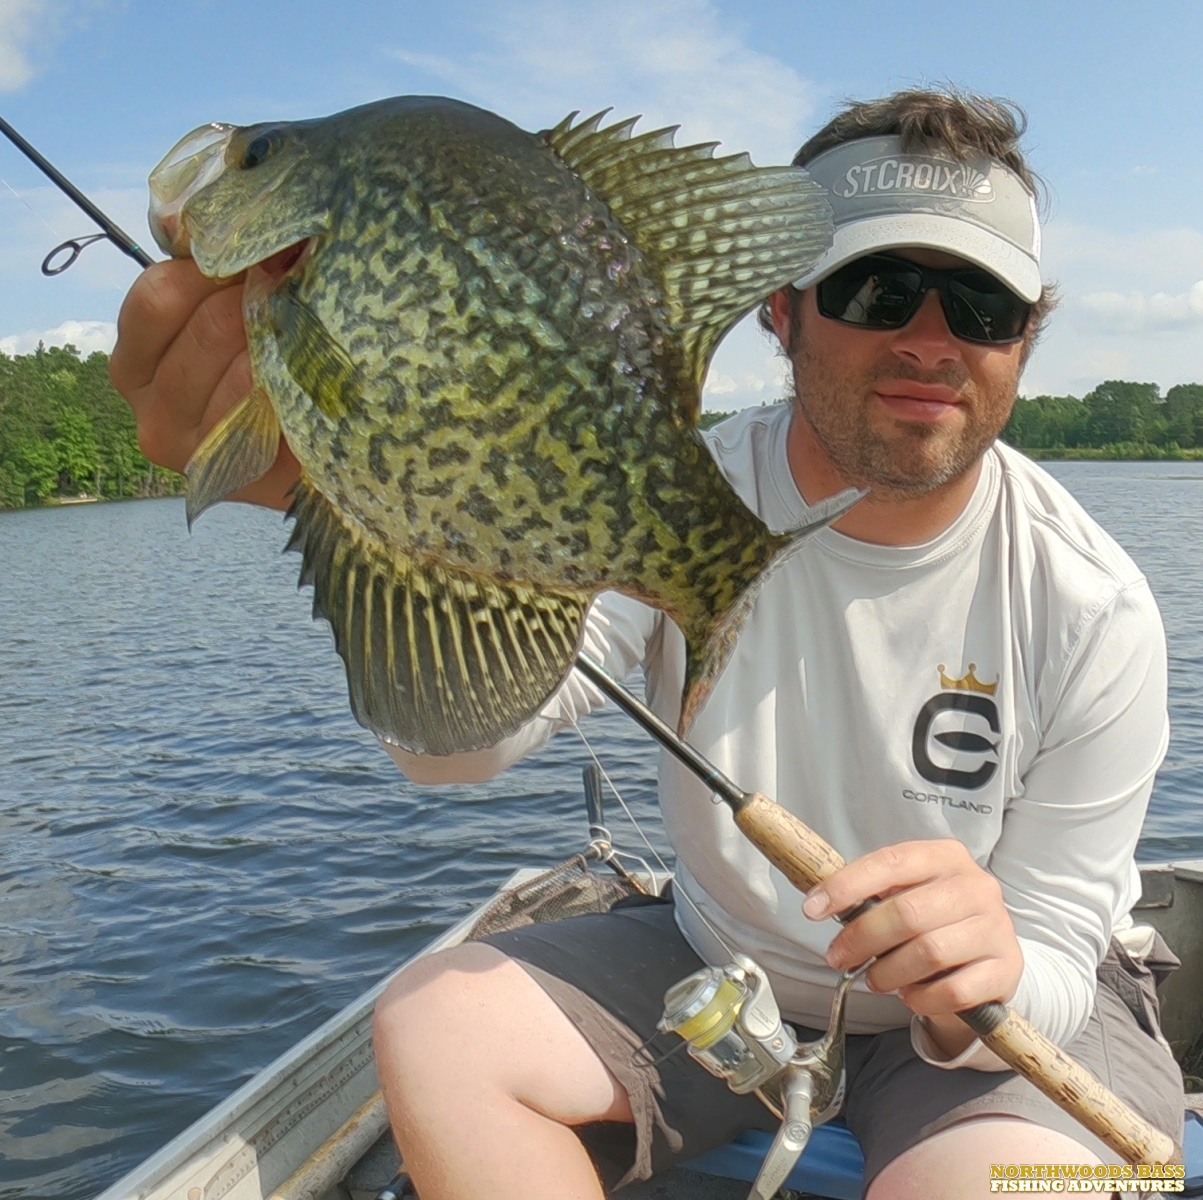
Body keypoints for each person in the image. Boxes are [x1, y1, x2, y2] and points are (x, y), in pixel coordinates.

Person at [111, 89, 1183, 1200]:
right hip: (723, 968)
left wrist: (997, 964)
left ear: (1026, 340)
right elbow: (454, 751)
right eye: (878, 289)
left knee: (993, 1188)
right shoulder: (666, 488)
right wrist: (350, 499)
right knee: (436, 1025)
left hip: (1001, 1024)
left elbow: (1061, 942)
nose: (928, 339)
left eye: (981, 306)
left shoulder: (1092, 601)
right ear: (783, 308)